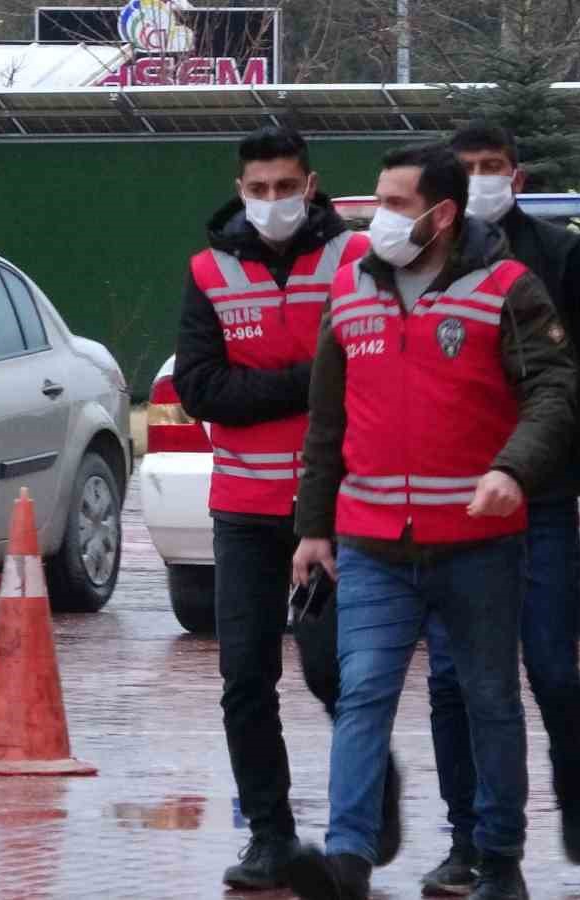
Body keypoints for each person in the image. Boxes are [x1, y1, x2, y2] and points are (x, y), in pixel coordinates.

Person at [283, 142, 578, 900]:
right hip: (373, 543)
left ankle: (499, 858)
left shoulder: (509, 289)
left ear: (442, 215)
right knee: (364, 694)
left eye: (395, 204)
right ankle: (347, 860)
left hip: (476, 544)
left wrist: (513, 470)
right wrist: (314, 527)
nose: (377, 217)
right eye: (377, 200)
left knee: (488, 699)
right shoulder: (349, 292)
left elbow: (552, 392)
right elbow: (327, 423)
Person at [413, 122, 580, 894]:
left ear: (516, 176)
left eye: (494, 167)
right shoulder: (419, 262)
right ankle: (467, 838)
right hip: (455, 499)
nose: (482, 178)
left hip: (541, 495)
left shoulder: (560, 253)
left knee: (548, 665)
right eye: (468, 168)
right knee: (453, 679)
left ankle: (572, 785)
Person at [172, 125, 392, 892]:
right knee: (244, 678)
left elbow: (380, 363)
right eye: (257, 189)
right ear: (241, 190)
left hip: (334, 506)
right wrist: (312, 381)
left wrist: (268, 387)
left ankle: (369, 793)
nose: (272, 202)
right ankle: (270, 835)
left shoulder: (355, 260)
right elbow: (201, 388)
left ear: (311, 184)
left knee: (333, 671)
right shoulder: (209, 271)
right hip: (243, 507)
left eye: (285, 187)